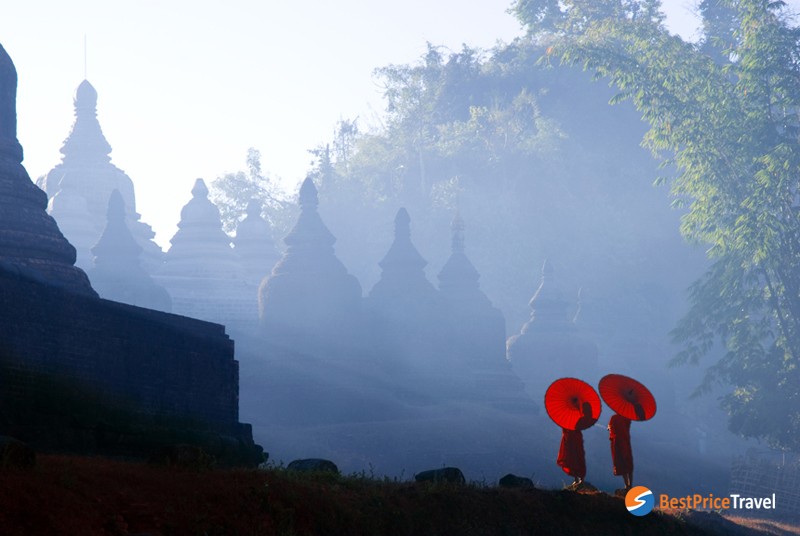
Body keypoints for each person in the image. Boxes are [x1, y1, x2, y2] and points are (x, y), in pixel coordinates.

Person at [557, 402, 594, 487]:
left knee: (577, 457)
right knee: (572, 457)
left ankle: (580, 478)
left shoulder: (578, 416)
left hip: (574, 438)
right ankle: (576, 478)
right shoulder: (574, 415)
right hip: (571, 438)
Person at [608, 412, 633, 490]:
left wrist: (609, 427)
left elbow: (611, 428)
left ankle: (626, 485)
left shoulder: (614, 418)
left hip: (618, 443)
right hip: (626, 442)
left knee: (621, 463)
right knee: (628, 463)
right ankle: (630, 484)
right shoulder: (627, 418)